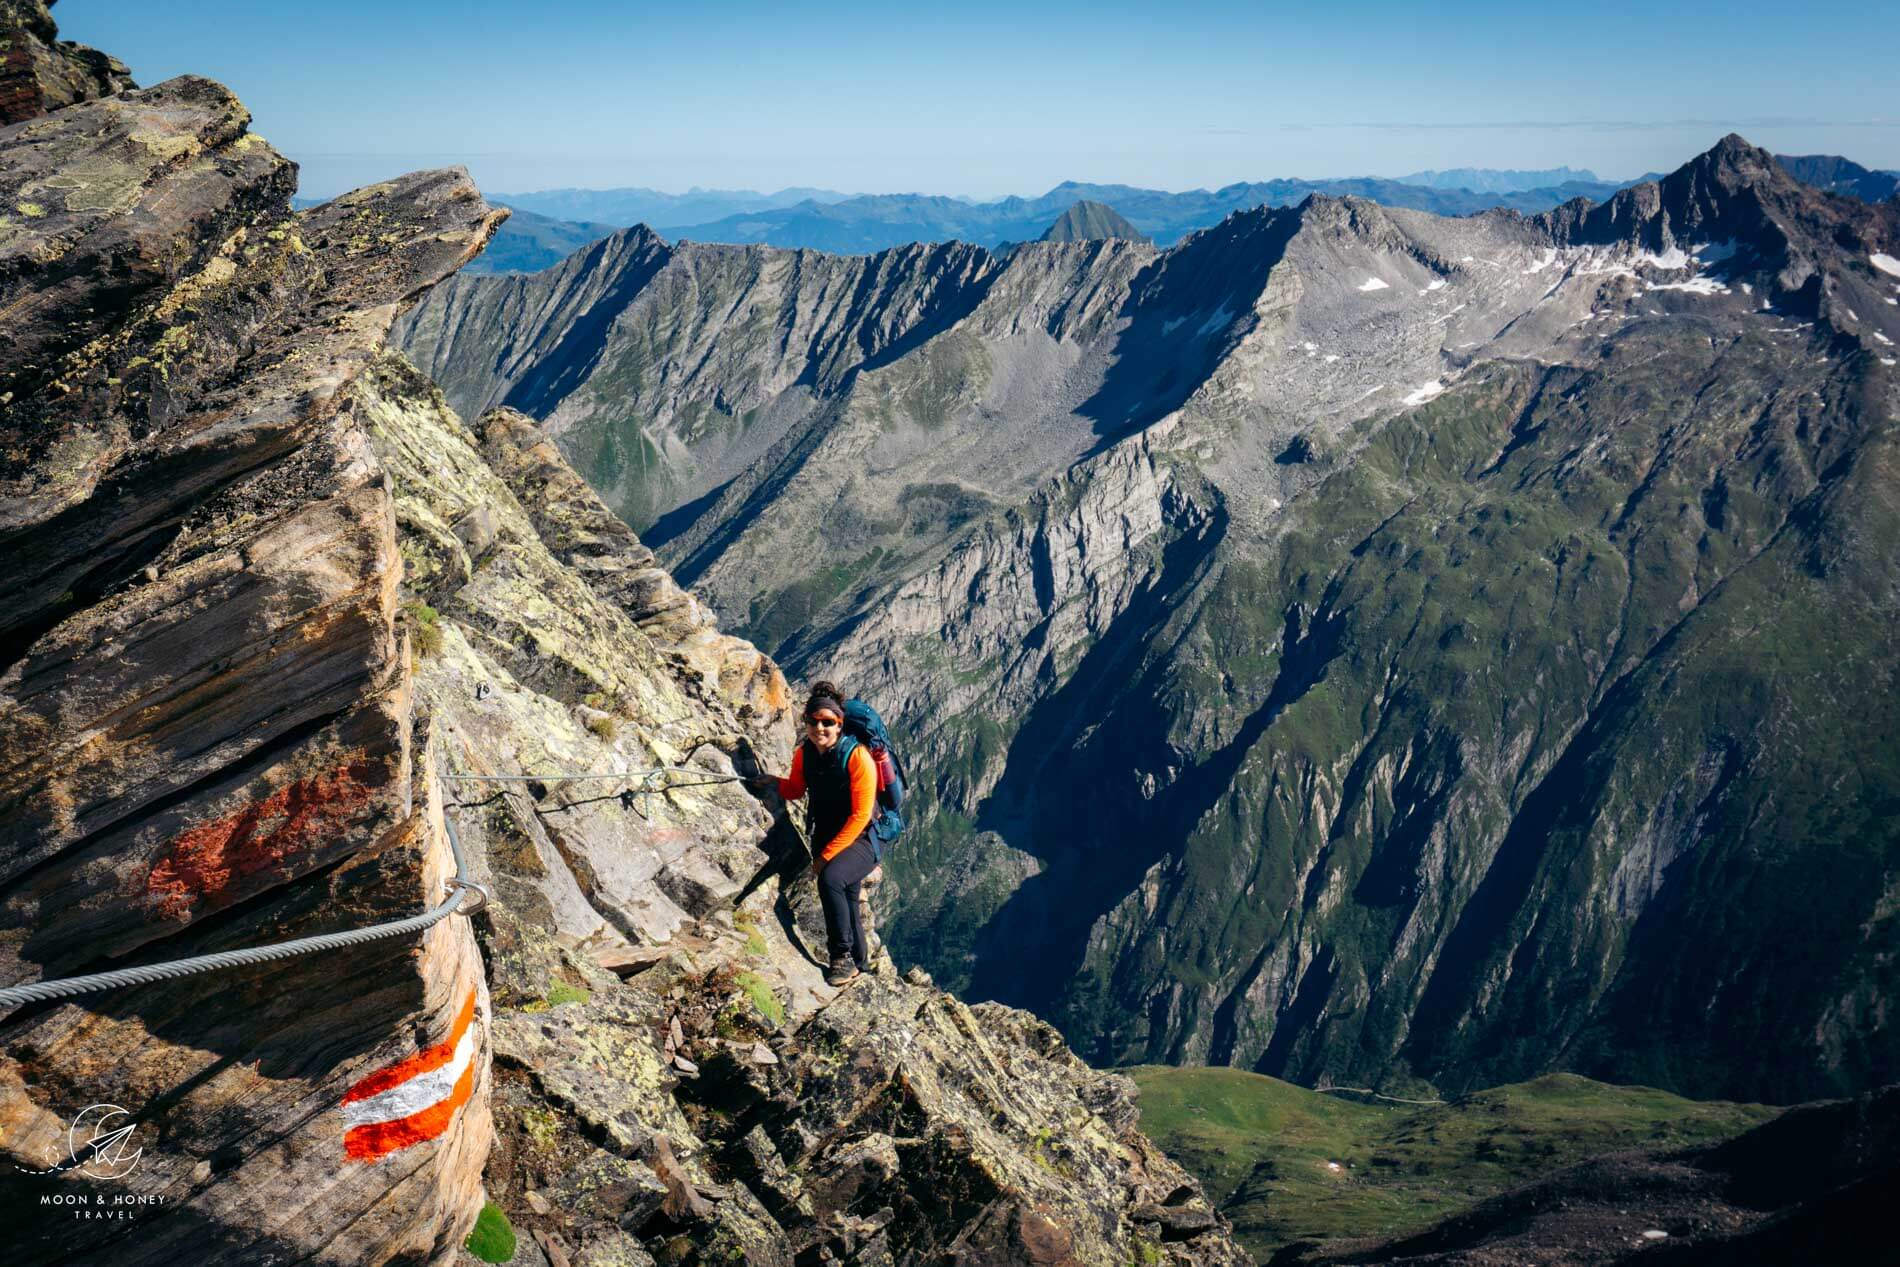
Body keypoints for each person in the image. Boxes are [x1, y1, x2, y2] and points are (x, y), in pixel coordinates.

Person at [748, 681, 880, 985]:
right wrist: (772, 782)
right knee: (846, 896)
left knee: (832, 879)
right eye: (813, 721)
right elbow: (795, 790)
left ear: (839, 724)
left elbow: (861, 816)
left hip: (862, 840)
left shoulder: (858, 757)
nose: (820, 728)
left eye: (828, 722)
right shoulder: (804, 754)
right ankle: (860, 966)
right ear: (806, 721)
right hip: (828, 834)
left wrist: (825, 857)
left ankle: (840, 957)